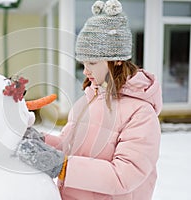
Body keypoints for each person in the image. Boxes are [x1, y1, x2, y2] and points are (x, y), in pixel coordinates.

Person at [16, 0, 162, 199]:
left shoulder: (141, 113)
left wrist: (62, 166)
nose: (86, 71)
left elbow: (125, 175)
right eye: (83, 63)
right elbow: (70, 146)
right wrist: (40, 140)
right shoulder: (88, 100)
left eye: (92, 62)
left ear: (117, 60)